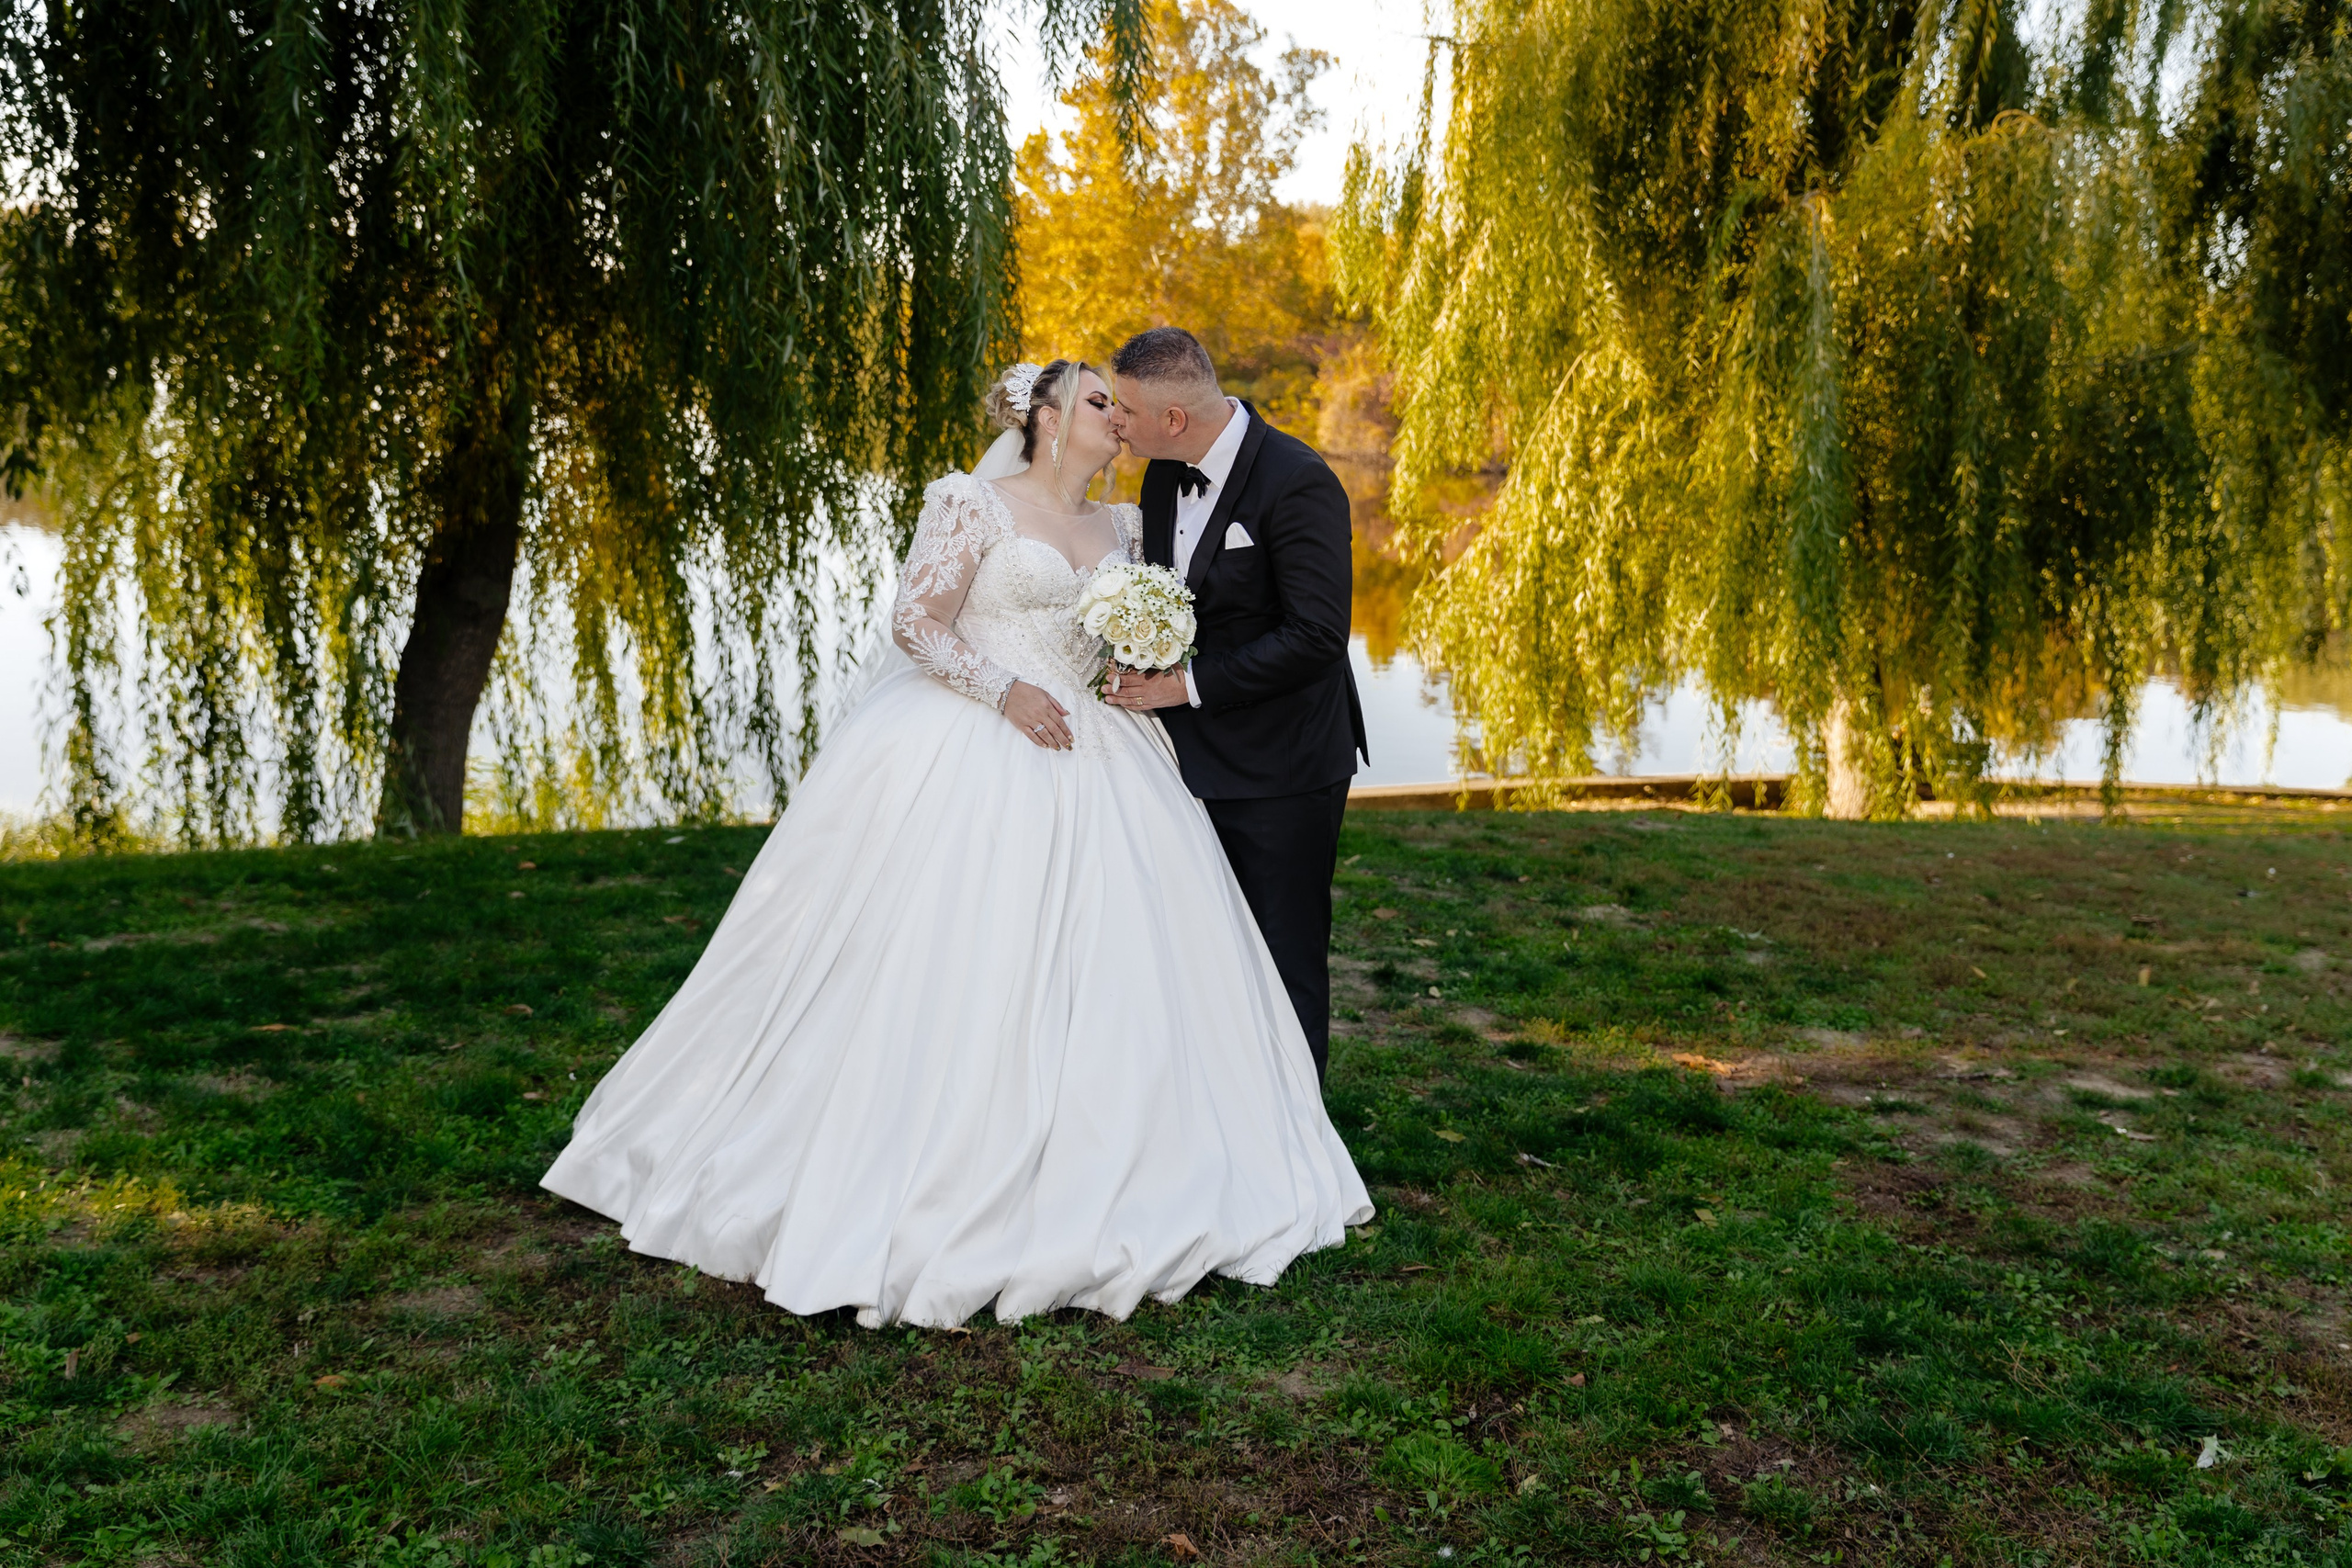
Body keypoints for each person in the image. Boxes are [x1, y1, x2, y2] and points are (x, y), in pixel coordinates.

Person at [540, 359, 1371, 1330]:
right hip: (978, 741)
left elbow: (1161, 627)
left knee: (1133, 955)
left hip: (1109, 754)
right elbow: (912, 621)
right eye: (1101, 402)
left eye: (1125, 403)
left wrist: (1143, 669)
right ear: (1047, 418)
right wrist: (1003, 691)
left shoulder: (1131, 525)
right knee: (957, 950)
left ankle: (1149, 1142)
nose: (1121, 420)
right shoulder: (970, 504)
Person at [1102, 328, 1368, 1083]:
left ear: (1174, 419)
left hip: (1284, 767)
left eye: (1126, 408)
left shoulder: (1298, 479)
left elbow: (1317, 634)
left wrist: (1182, 685)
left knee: (1285, 959)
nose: (1118, 420)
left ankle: (1300, 1144)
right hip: (1184, 763)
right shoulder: (1161, 476)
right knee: (1203, 954)